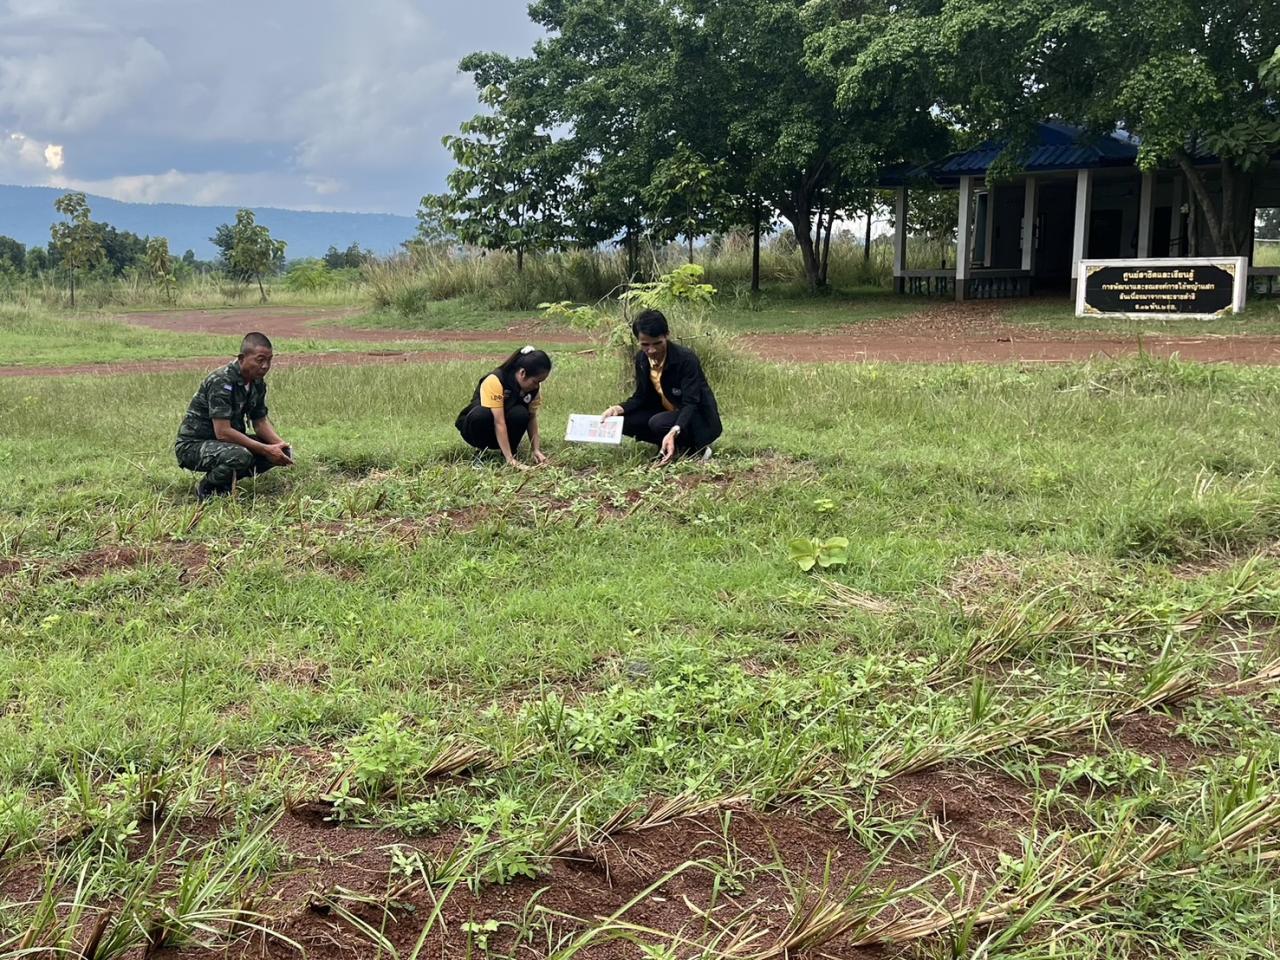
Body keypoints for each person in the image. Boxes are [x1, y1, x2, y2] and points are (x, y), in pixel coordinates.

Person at [175, 332, 293, 501]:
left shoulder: (257, 383)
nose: (266, 366)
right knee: (240, 455)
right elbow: (223, 432)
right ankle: (209, 488)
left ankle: (226, 480)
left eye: (269, 360)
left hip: (224, 443)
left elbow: (259, 421)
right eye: (260, 360)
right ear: (242, 358)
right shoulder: (221, 381)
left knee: (278, 449)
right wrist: (266, 450)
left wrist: (280, 445)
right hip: (193, 446)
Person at [601, 310, 721, 464]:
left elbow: (691, 403)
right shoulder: (642, 360)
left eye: (657, 343)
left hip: (698, 418)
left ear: (667, 335)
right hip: (667, 414)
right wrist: (617, 408)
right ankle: (669, 445)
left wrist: (674, 430)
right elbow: (641, 397)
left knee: (658, 422)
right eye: (645, 345)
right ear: (638, 341)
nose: (651, 350)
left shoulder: (686, 359)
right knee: (621, 421)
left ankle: (696, 446)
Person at [456, 346, 552, 470]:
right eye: (535, 381)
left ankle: (508, 450)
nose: (536, 386)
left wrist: (536, 449)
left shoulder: (533, 389)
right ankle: (481, 453)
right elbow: (499, 421)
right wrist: (510, 460)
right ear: (522, 373)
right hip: (478, 428)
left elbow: (532, 417)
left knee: (521, 413)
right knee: (482, 414)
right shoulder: (495, 380)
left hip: (502, 429)